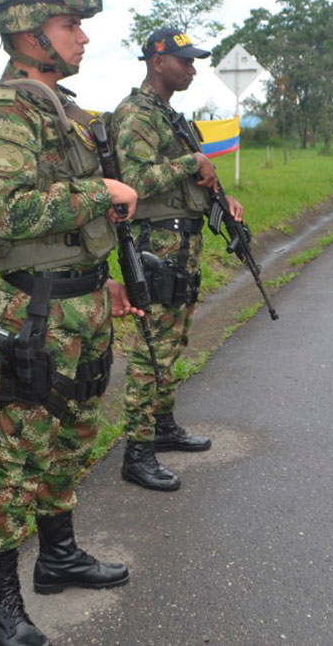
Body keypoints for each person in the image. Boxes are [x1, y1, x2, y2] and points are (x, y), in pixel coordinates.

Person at [0, 0, 140, 646]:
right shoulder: (4, 110)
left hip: (81, 301)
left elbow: (68, 220)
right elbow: (11, 211)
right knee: (17, 457)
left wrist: (100, 278)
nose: (83, 37)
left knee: (72, 437)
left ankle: (58, 556)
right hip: (38, 312)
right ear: (32, 35)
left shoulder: (62, 110)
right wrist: (103, 193)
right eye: (71, 25)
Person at [112, 27, 243, 491]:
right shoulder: (136, 114)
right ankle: (137, 452)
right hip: (155, 245)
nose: (192, 69)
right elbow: (133, 181)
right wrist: (193, 162)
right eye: (184, 61)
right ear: (157, 61)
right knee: (153, 348)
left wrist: (221, 198)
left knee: (174, 340)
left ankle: (162, 426)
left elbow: (191, 182)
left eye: (193, 62)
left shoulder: (169, 116)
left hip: (182, 243)